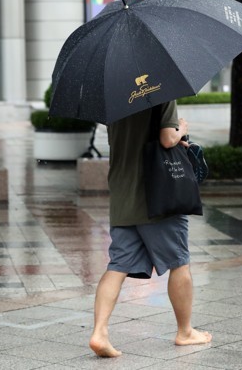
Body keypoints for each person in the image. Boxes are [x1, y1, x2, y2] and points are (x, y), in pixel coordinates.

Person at [89, 100, 212, 357]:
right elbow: (167, 139)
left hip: (123, 197)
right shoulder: (161, 93)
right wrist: (180, 128)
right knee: (179, 262)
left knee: (118, 265)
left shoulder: (114, 103)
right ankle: (185, 332)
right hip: (158, 196)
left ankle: (99, 332)